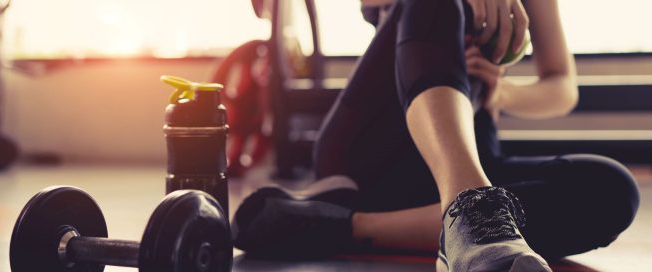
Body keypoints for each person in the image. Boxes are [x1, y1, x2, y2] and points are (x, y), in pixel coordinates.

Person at [232, 0, 640, 271]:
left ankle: (346, 225)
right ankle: (474, 219)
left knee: (611, 188)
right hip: (371, 152)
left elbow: (562, 87)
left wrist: (504, 91)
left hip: (474, 153)